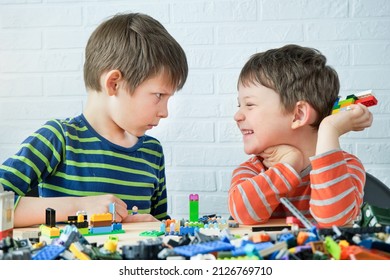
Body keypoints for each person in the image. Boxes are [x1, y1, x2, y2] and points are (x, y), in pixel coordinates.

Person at [0, 13, 188, 227]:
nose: (165, 112)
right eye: (159, 96)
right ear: (114, 83)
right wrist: (80, 207)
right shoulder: (59, 138)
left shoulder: (152, 152)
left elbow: (160, 227)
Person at [228, 44, 373, 227]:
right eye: (238, 105)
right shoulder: (251, 171)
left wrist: (329, 129)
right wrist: (289, 164)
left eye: (249, 105)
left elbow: (333, 219)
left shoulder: (348, 167)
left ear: (298, 115)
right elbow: (243, 214)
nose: (237, 115)